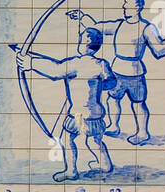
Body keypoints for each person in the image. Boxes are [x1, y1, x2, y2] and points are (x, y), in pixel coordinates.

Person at [67, 0, 165, 145]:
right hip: (117, 72)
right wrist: (82, 17)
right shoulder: (119, 25)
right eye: (124, 3)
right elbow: (98, 27)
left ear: (137, 7)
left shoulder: (147, 28)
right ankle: (114, 126)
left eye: (127, 4)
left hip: (135, 74)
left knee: (138, 103)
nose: (123, 7)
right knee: (113, 100)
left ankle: (142, 133)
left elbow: (159, 48)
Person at [17, 26, 115, 181]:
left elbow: (56, 71)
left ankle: (71, 171)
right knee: (96, 140)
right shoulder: (101, 64)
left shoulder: (78, 63)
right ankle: (105, 164)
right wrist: (97, 82)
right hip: (96, 112)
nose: (79, 40)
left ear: (87, 41)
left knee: (70, 140)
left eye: (82, 38)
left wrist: (31, 64)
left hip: (79, 114)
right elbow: (111, 83)